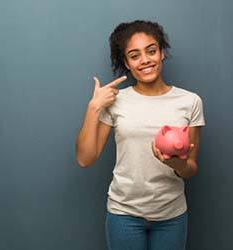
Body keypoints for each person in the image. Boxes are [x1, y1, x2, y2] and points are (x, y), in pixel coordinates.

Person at [75, 20, 205, 250]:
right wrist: (93, 107)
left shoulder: (190, 101)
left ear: (161, 53)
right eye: (134, 56)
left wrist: (176, 163)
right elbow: (85, 159)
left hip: (171, 216)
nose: (145, 60)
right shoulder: (116, 101)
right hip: (124, 215)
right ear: (126, 62)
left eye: (151, 51)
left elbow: (191, 169)